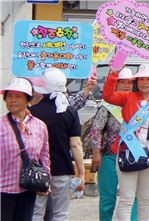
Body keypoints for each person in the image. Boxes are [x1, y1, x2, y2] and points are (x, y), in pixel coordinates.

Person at [103, 62, 149, 220]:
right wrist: (114, 74)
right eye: (141, 79)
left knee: (145, 199)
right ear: (137, 81)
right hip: (129, 152)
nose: (145, 82)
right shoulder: (128, 97)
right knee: (126, 198)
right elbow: (108, 96)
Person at [30, 68, 86, 221]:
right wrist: (81, 173)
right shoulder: (69, 112)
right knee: (60, 213)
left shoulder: (32, 112)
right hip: (62, 169)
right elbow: (75, 144)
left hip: (37, 170)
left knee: (36, 212)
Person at [89, 68, 138, 221]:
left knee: (132, 197)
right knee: (107, 198)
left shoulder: (139, 104)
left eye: (129, 82)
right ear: (115, 84)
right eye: (122, 82)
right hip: (110, 157)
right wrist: (96, 153)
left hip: (133, 157)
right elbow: (96, 129)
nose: (126, 85)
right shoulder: (108, 105)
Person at [1, 78, 50, 221]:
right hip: (3, 189)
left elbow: (44, 156)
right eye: (9, 96)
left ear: (28, 100)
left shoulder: (40, 126)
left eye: (18, 96)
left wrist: (45, 180)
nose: (12, 100)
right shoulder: (1, 125)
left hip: (29, 188)